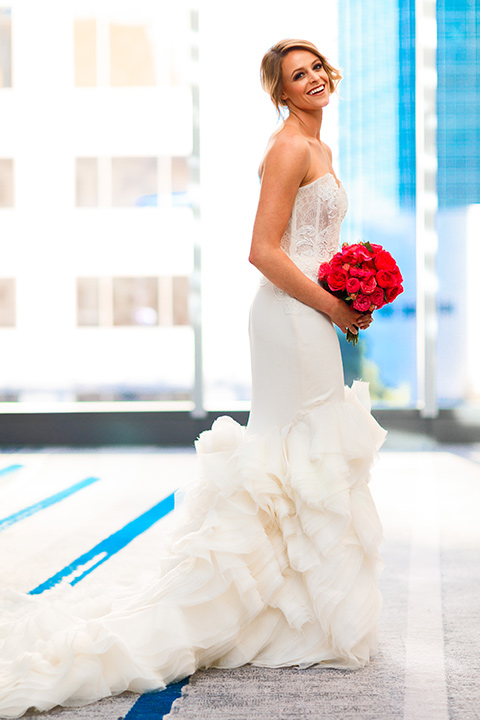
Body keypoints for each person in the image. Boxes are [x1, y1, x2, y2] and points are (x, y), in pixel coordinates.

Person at [0, 39, 386, 719]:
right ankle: (271, 613)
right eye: (298, 75)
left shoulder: (318, 145)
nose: (313, 78)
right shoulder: (289, 148)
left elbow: (310, 241)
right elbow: (261, 250)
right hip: (292, 321)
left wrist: (351, 285)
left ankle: (293, 610)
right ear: (282, 91)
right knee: (299, 452)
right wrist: (332, 303)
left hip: (313, 315)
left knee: (309, 453)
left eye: (317, 66)